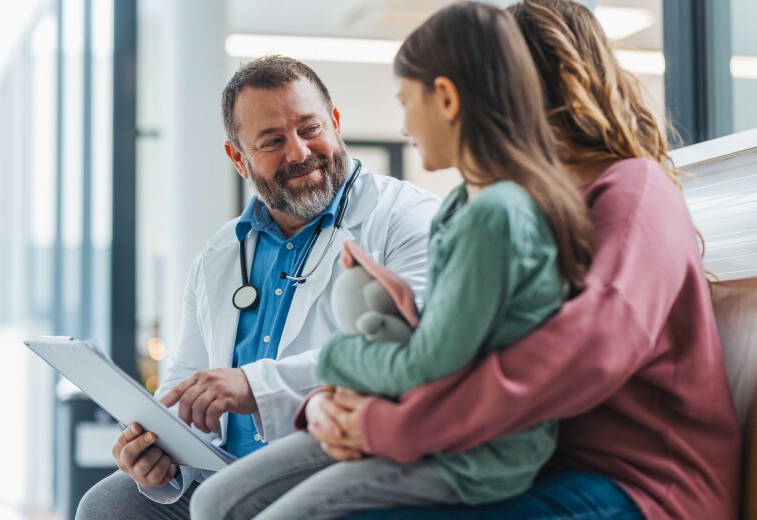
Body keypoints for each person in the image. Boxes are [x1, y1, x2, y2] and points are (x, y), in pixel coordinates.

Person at [302, 1, 743, 519]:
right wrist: (332, 402)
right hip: (527, 461)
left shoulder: (634, 191)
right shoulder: (521, 204)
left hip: (640, 485)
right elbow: (473, 347)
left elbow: (588, 350)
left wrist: (393, 427)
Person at [187, 4, 594, 519]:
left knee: (243, 509)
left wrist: (335, 363)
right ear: (238, 157)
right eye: (271, 142)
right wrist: (397, 311)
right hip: (418, 417)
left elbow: (431, 359)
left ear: (446, 99)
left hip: (465, 450)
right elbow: (447, 332)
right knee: (208, 499)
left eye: (405, 102)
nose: (402, 125)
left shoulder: (488, 214)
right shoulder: (464, 208)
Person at [75, 56, 440, 519]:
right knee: (108, 505)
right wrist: (157, 452)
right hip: (220, 466)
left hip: (330, 454)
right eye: (272, 141)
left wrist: (255, 385)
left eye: (310, 129)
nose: (299, 152)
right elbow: (184, 382)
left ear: (336, 123)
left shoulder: (405, 217)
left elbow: (409, 349)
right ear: (238, 159)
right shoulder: (221, 253)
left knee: (224, 504)